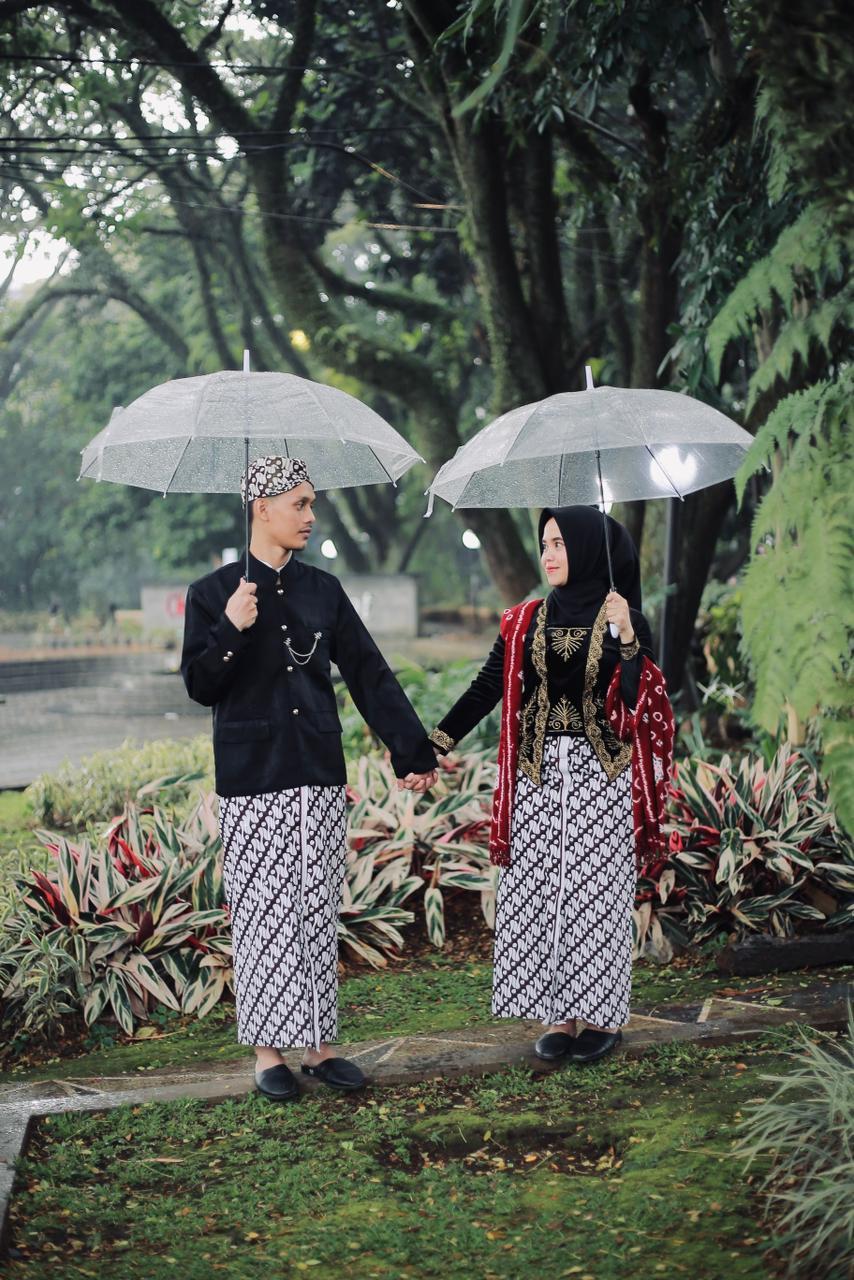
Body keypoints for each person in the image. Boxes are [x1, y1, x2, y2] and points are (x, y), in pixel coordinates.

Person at [181, 456, 437, 1102]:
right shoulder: (213, 594)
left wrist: (412, 751)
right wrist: (231, 629)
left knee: (316, 909)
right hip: (252, 779)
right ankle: (268, 1053)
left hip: (317, 772)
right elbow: (201, 685)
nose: (311, 516)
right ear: (261, 508)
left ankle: (320, 1047)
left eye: (312, 503)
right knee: (263, 914)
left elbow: (368, 671)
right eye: (299, 504)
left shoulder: (323, 590)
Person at [429, 505, 674, 1066]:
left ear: (587, 550)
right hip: (537, 779)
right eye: (544, 544)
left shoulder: (624, 619)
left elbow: (642, 705)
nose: (548, 554)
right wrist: (435, 743)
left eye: (560, 543)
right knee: (541, 892)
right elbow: (487, 686)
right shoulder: (525, 620)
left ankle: (602, 1017)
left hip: (601, 779)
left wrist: (628, 637)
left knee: (595, 896)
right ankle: (558, 1016)